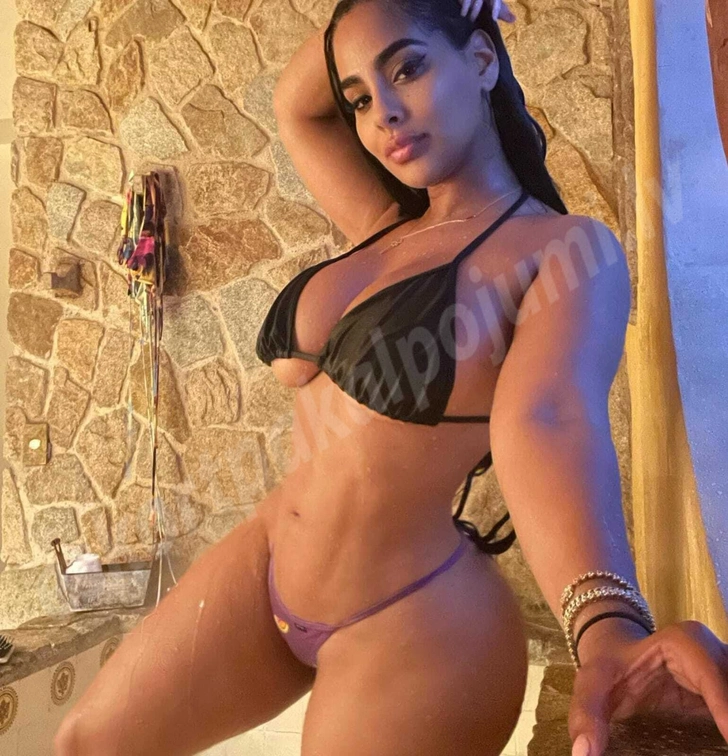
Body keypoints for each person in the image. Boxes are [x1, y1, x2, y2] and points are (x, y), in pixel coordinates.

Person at [54, 1, 728, 755]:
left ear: (482, 60)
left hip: (415, 619)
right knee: (87, 743)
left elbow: (547, 418)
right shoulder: (381, 223)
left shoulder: (563, 249)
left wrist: (607, 627)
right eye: (361, 100)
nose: (385, 115)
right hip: (268, 562)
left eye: (408, 68)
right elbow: (297, 104)